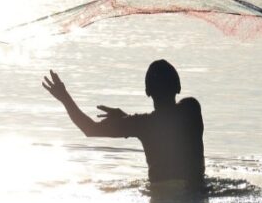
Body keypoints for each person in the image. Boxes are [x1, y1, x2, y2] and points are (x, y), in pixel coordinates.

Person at [42, 60, 205, 190]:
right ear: (178, 87)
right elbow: (167, 125)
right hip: (197, 191)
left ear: (148, 92)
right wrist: (126, 118)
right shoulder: (191, 108)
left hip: (163, 198)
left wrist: (64, 98)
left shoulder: (143, 125)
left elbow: (89, 129)